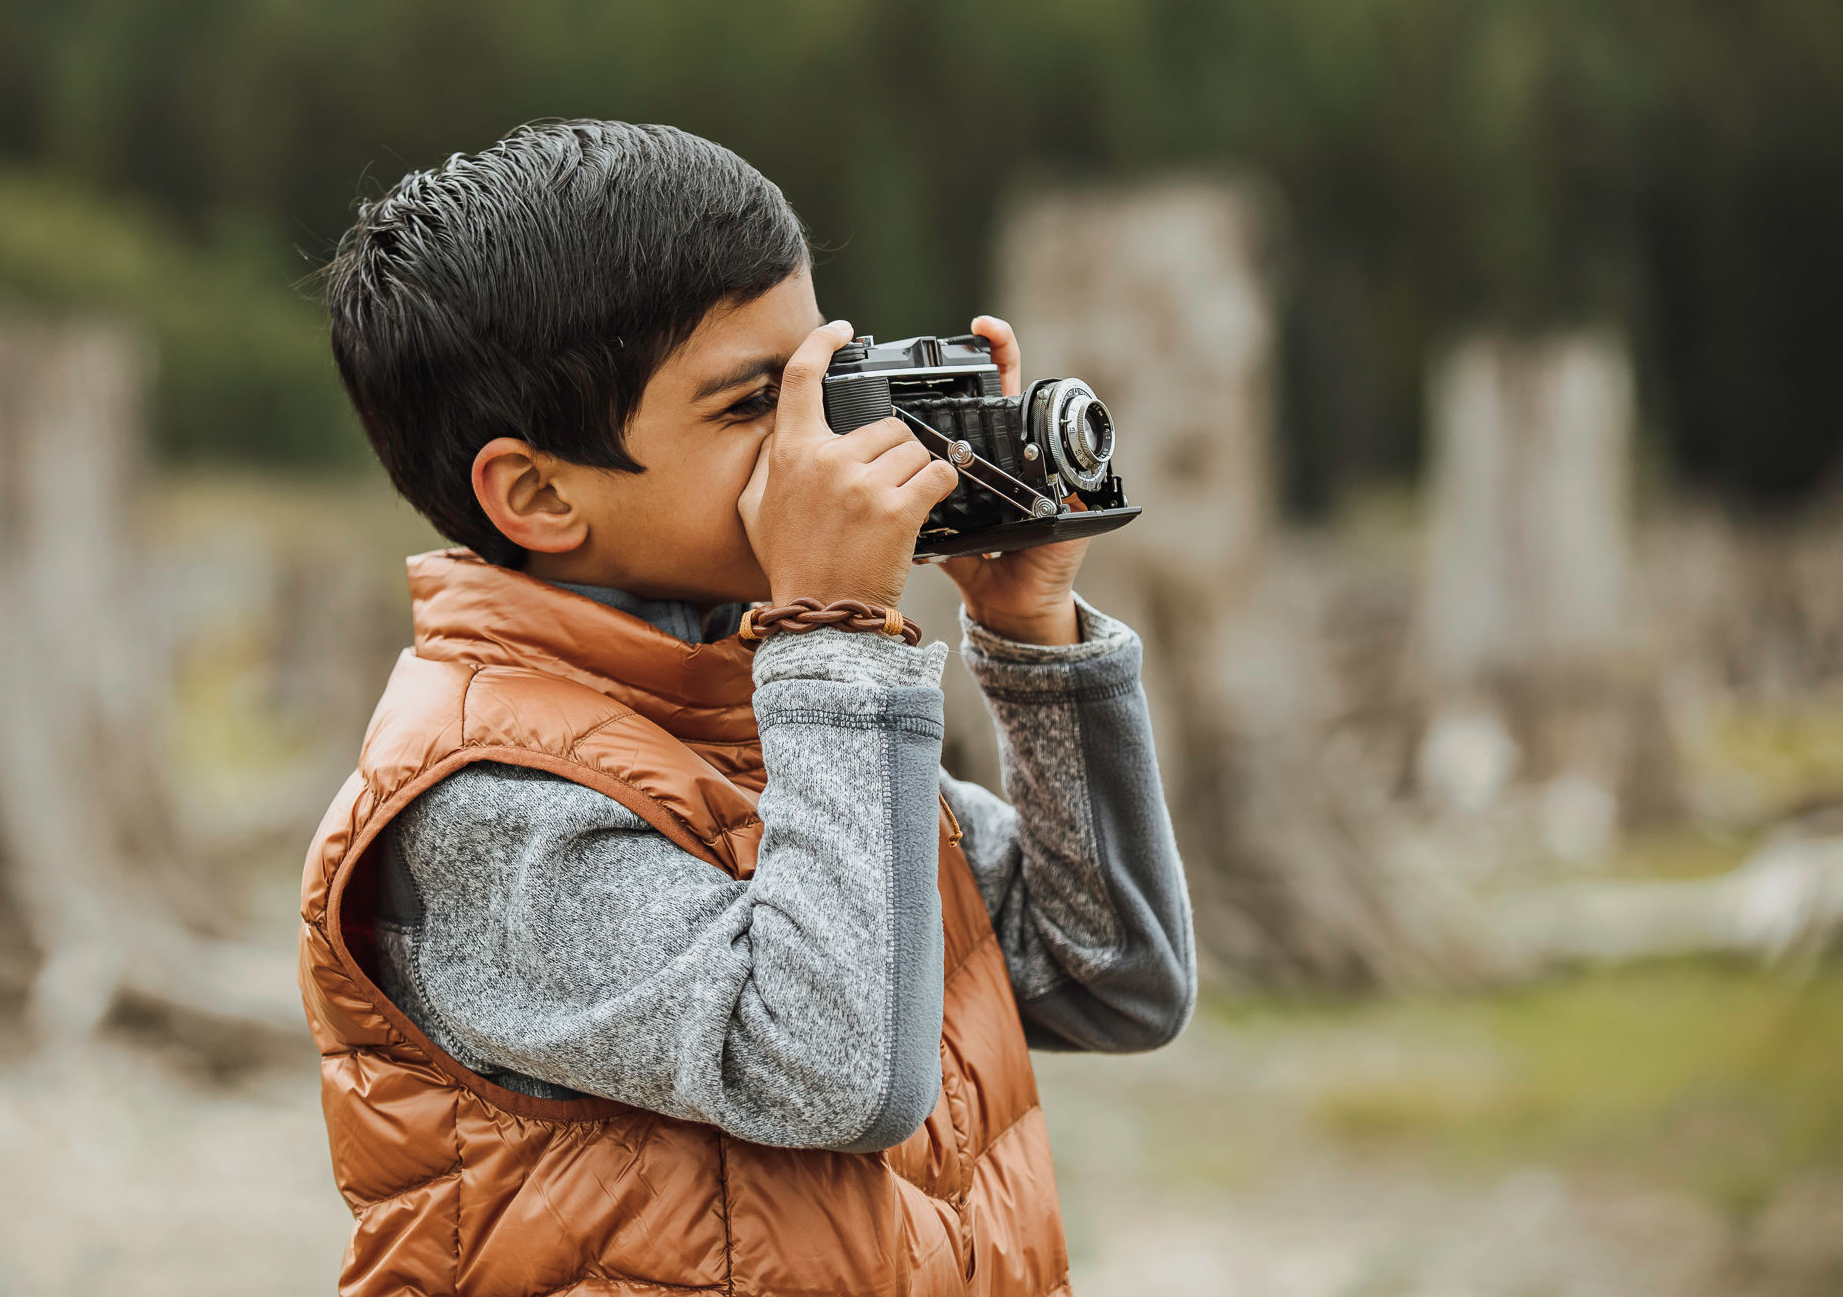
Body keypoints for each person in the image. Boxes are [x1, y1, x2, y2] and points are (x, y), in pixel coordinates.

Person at [298, 119, 1193, 1296]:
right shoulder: (483, 803)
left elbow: (1111, 976)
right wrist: (834, 634)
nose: (826, 445)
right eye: (754, 405)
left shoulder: (762, 705)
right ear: (537, 493)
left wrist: (1030, 636)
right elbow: (833, 1074)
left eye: (826, 376)